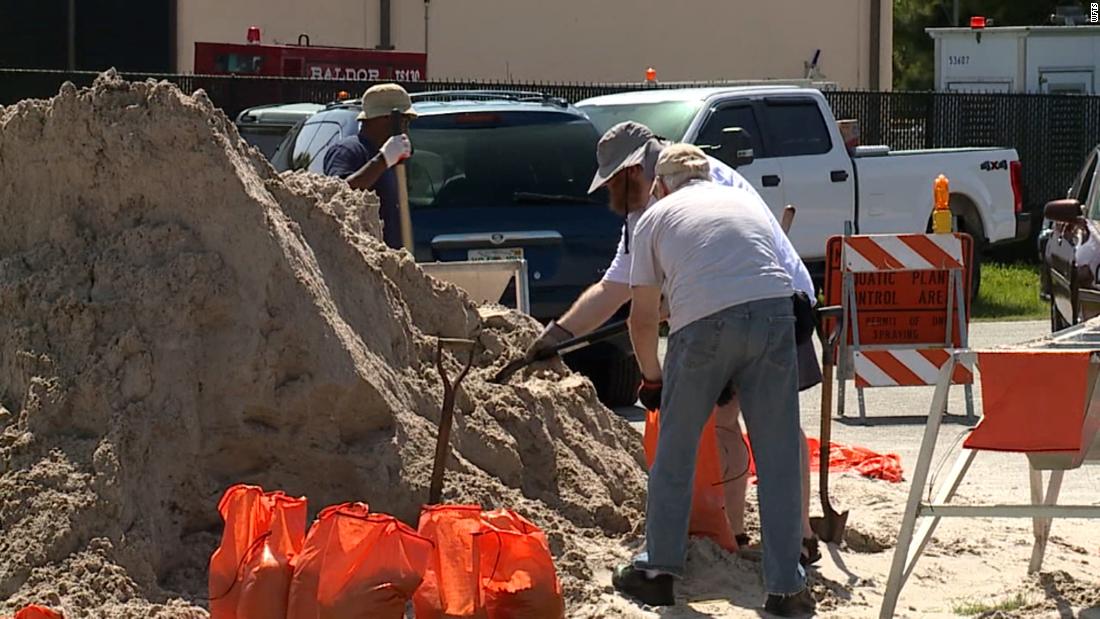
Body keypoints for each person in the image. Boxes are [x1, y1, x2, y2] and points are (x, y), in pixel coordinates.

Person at [524, 121, 822, 564]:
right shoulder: (646, 205)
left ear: (635, 171)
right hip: (741, 305)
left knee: (773, 427)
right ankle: (737, 534)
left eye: (612, 180)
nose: (610, 193)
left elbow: (644, 313)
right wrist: (557, 335)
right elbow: (617, 287)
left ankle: (797, 536)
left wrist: (653, 372)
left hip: (781, 301)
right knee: (730, 421)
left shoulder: (700, 179)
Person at [614, 144, 814, 615]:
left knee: (676, 451)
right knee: (779, 455)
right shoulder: (745, 202)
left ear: (660, 186)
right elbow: (772, 275)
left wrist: (652, 379)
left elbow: (641, 320)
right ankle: (787, 587)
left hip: (704, 327)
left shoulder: (655, 218)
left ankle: (657, 572)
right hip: (773, 316)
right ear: (706, 174)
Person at [322, 83, 415, 249]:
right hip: (361, 258)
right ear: (387, 118)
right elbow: (339, 194)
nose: (406, 127)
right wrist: (382, 160)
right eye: (404, 120)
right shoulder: (348, 151)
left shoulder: (391, 158)